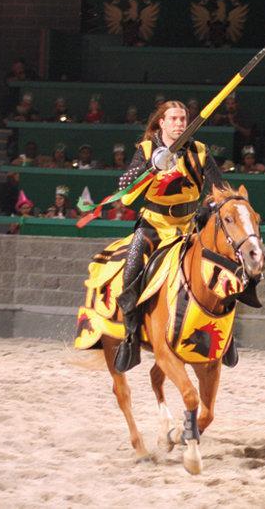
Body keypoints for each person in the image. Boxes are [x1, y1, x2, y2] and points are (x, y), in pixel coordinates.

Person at [113, 99, 226, 373]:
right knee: (131, 273)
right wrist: (152, 166)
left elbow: (219, 189)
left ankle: (228, 336)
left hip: (189, 225)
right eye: (173, 119)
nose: (179, 124)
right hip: (155, 223)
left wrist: (207, 209)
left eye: (182, 119)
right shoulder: (147, 149)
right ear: (161, 123)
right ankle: (130, 336)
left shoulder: (199, 151)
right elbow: (125, 192)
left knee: (226, 268)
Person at [211, 94, 255, 161]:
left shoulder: (243, 116)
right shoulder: (222, 116)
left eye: (232, 103)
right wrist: (215, 121)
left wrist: (234, 124)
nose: (230, 106)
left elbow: (247, 133)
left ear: (236, 104)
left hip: (239, 146)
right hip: (223, 146)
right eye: (228, 104)